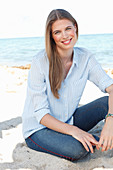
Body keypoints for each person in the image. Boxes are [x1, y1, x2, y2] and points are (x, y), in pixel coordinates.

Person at [22, 9, 113, 161]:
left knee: (107, 103)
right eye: (57, 32)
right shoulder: (40, 62)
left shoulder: (85, 57)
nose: (65, 36)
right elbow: (41, 115)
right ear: (51, 36)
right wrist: (74, 131)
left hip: (68, 119)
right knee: (77, 150)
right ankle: (101, 140)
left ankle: (105, 136)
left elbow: (111, 88)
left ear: (75, 28)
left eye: (68, 29)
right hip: (39, 129)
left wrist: (110, 120)